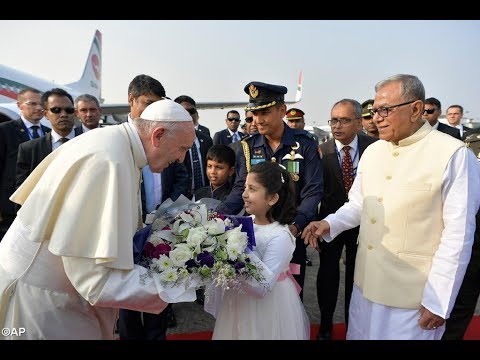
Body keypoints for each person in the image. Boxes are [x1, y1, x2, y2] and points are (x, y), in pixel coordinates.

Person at [302, 74, 480, 340]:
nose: (376, 118)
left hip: (413, 297)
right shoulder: (373, 152)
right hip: (366, 287)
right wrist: (330, 223)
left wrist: (439, 300)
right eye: (374, 111)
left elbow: (458, 235)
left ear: (416, 109)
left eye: (385, 110)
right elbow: (360, 204)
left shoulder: (453, 155)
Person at [0, 99, 196, 339]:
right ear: (158, 135)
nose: (181, 159)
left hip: (62, 294)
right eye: (182, 148)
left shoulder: (120, 147)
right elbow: (95, 282)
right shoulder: (108, 161)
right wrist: (183, 283)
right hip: (46, 302)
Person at [218, 81, 323, 300]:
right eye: (255, 113)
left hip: (290, 233)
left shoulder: (305, 145)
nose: (258, 120)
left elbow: (313, 191)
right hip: (253, 235)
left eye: (265, 112)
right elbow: (240, 189)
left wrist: (296, 226)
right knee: (250, 294)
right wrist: (217, 216)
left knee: (289, 296)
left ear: (282, 110)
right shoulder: (248, 147)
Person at [118, 74, 187, 339]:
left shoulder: (167, 135)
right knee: (128, 300)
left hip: (162, 222)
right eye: (146, 103)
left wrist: (169, 207)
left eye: (157, 104)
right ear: (131, 100)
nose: (152, 111)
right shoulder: (119, 142)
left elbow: (181, 174)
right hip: (129, 231)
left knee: (160, 286)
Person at [211, 161, 310, 340]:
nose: (244, 194)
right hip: (239, 298)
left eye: (252, 189)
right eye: (245, 187)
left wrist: (236, 248)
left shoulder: (280, 236)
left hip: (268, 305)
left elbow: (262, 286)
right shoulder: (243, 223)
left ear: (272, 198)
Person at [315, 99, 378, 340]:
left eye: (344, 120)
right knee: (328, 276)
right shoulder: (322, 151)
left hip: (363, 224)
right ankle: (325, 325)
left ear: (359, 123)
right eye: (333, 120)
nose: (337, 126)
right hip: (329, 223)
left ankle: (353, 325)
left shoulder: (374, 148)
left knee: (357, 276)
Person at [0, 88, 50, 240]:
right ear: (19, 105)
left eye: (41, 104)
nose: (39, 108)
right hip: (10, 206)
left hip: (41, 205)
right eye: (32, 104)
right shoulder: (4, 131)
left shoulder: (49, 133)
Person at [16, 88, 77, 189]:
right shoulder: (29, 149)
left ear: (74, 113)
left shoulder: (89, 142)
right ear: (46, 114)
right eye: (56, 110)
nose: (64, 114)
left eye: (69, 110)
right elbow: (22, 191)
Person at [174, 95, 213, 200]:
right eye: (184, 112)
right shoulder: (170, 142)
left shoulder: (206, 140)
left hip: (205, 196)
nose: (189, 115)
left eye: (192, 111)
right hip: (180, 198)